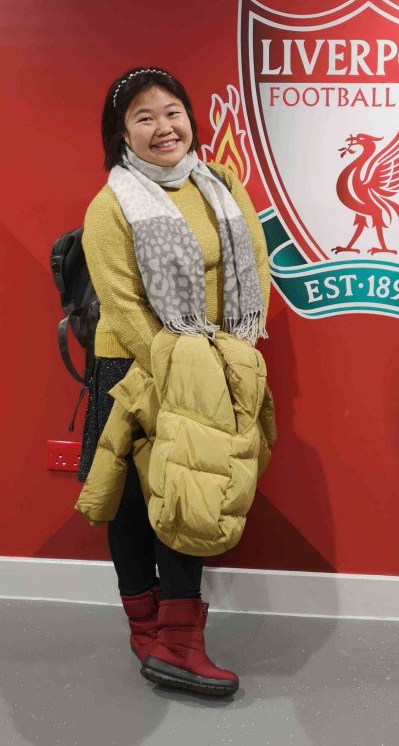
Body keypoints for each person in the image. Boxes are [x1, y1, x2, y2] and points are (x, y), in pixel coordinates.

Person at [74, 67, 274, 698]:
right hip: (133, 365)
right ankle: (155, 634)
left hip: (212, 363)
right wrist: (181, 364)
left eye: (172, 112)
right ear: (121, 133)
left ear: (189, 118)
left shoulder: (222, 185)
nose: (163, 127)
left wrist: (230, 354)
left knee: (188, 492)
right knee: (137, 502)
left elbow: (257, 265)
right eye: (144, 117)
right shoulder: (110, 206)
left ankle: (176, 637)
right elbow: (122, 304)